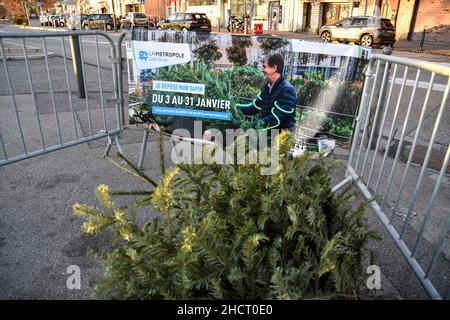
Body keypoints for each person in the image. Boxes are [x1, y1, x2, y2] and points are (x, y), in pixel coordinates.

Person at [237, 53, 297, 132]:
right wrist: (233, 106)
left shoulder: (287, 89)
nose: (262, 69)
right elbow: (254, 107)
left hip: (282, 138)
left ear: (274, 68)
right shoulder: (267, 87)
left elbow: (276, 119)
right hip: (268, 135)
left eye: (264, 66)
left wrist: (252, 126)